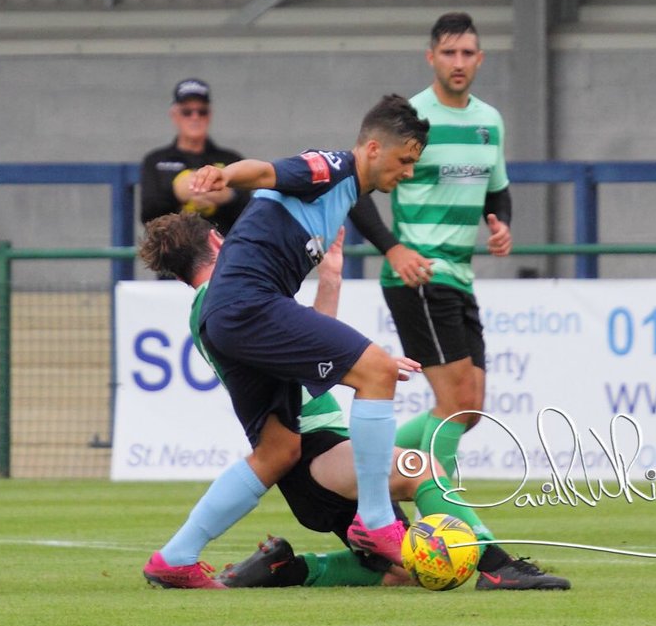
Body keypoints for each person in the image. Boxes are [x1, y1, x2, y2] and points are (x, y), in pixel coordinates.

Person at [139, 212, 569, 592]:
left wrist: (331, 280)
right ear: (218, 241)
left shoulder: (225, 304)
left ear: (177, 274)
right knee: (424, 469)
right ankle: (497, 567)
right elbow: (300, 356)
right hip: (317, 452)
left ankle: (291, 569)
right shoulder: (231, 302)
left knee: (404, 572)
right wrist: (362, 363)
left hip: (321, 456)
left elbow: (298, 347)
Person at [137, 94, 430, 588]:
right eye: (406, 161)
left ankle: (175, 557)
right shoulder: (334, 166)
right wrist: (227, 175)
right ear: (374, 148)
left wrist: (333, 292)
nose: (408, 173)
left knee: (278, 451)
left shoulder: (344, 200)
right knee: (377, 372)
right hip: (248, 304)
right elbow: (269, 172)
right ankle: (377, 521)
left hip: (232, 317)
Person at [349, 12, 513, 477]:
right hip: (420, 273)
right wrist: (393, 249)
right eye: (448, 52)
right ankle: (442, 510)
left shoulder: (489, 121)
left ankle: (356, 461)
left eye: (466, 53)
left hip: (459, 274)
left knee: (469, 409)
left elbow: (497, 187)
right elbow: (355, 189)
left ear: (479, 59)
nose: (457, 62)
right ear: (431, 58)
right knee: (455, 403)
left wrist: (500, 224)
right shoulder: (411, 120)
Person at [139, 78, 249, 237]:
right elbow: (148, 215)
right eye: (187, 112)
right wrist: (176, 193)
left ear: (209, 115)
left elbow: (249, 213)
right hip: (174, 249)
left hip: (223, 248)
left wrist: (228, 197)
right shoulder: (155, 160)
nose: (195, 117)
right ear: (174, 115)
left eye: (201, 111)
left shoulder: (231, 159)